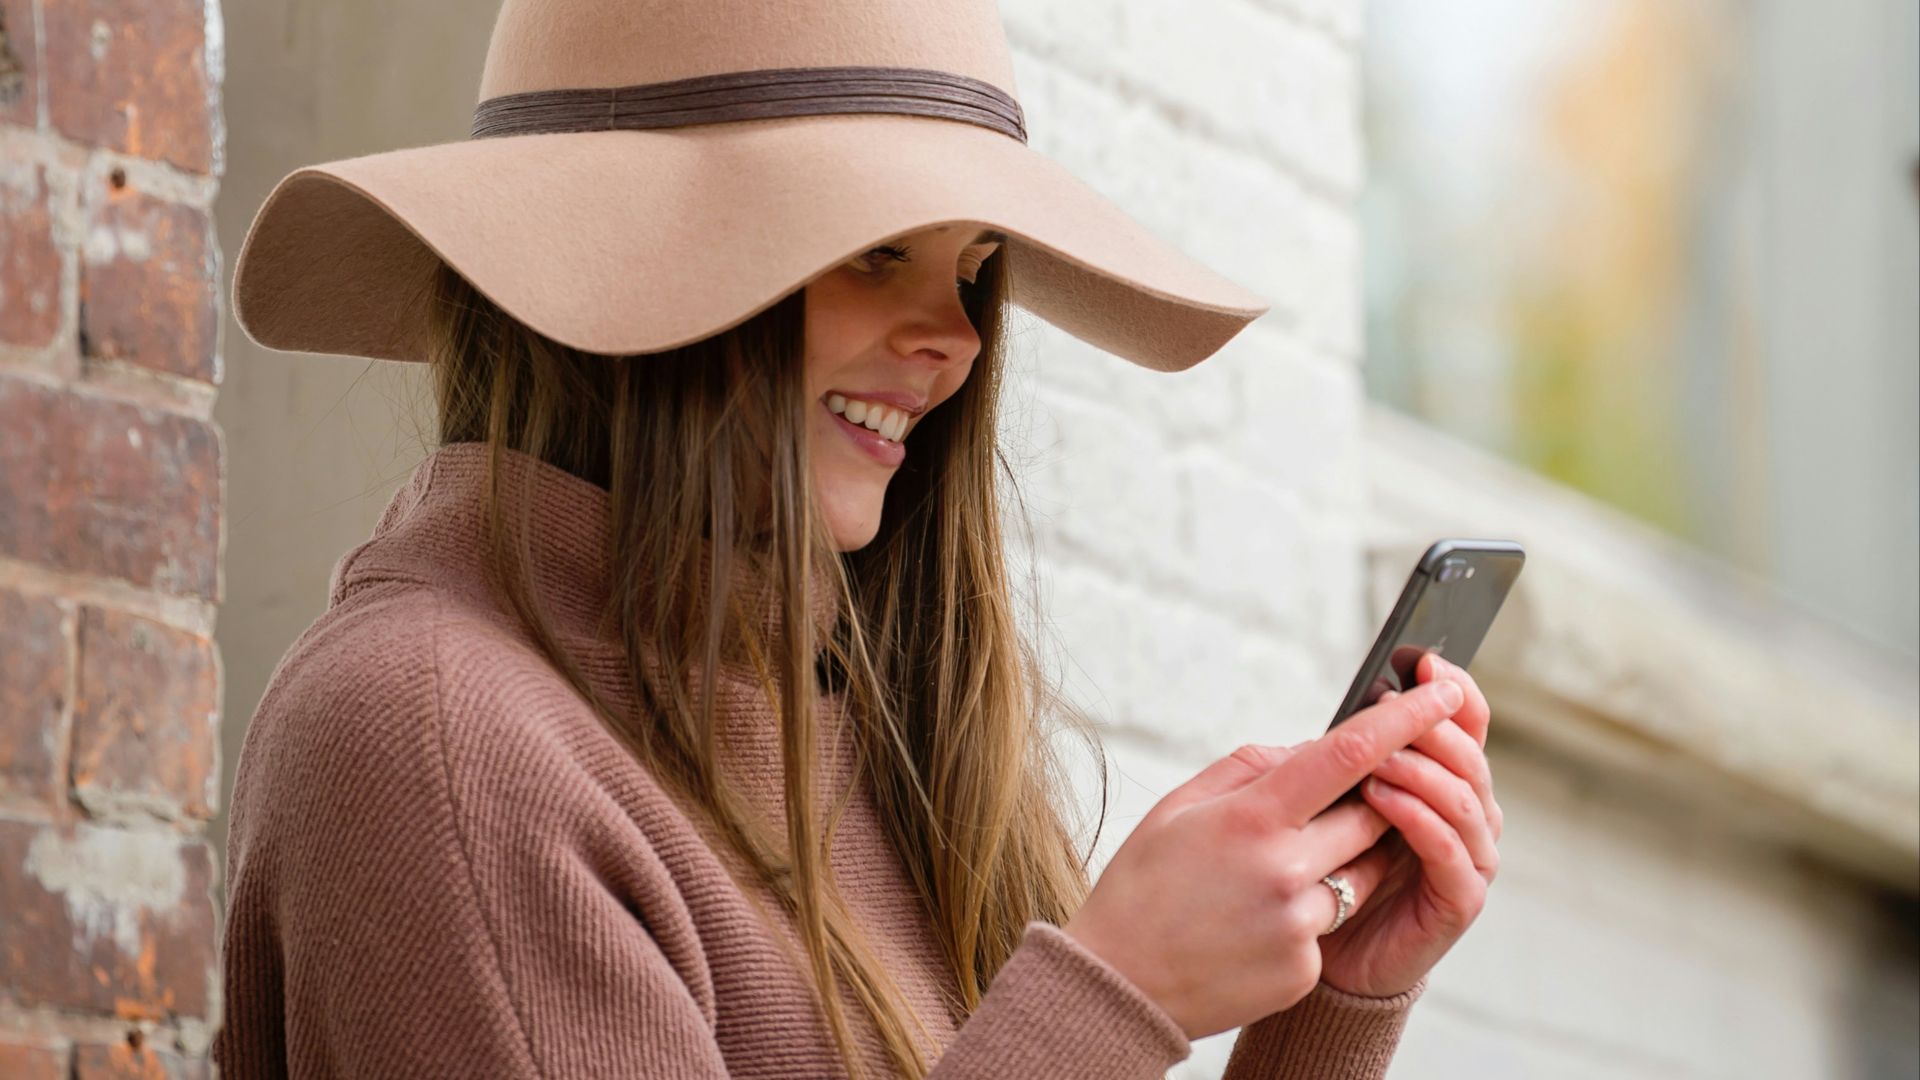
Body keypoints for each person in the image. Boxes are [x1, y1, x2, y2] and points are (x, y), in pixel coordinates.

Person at [213, 0, 1503, 1077]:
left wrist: (1325, 1010)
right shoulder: (433, 738)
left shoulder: (872, 731)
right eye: (876, 248)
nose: (959, 338)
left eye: (970, 263)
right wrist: (1115, 991)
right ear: (630, 260)